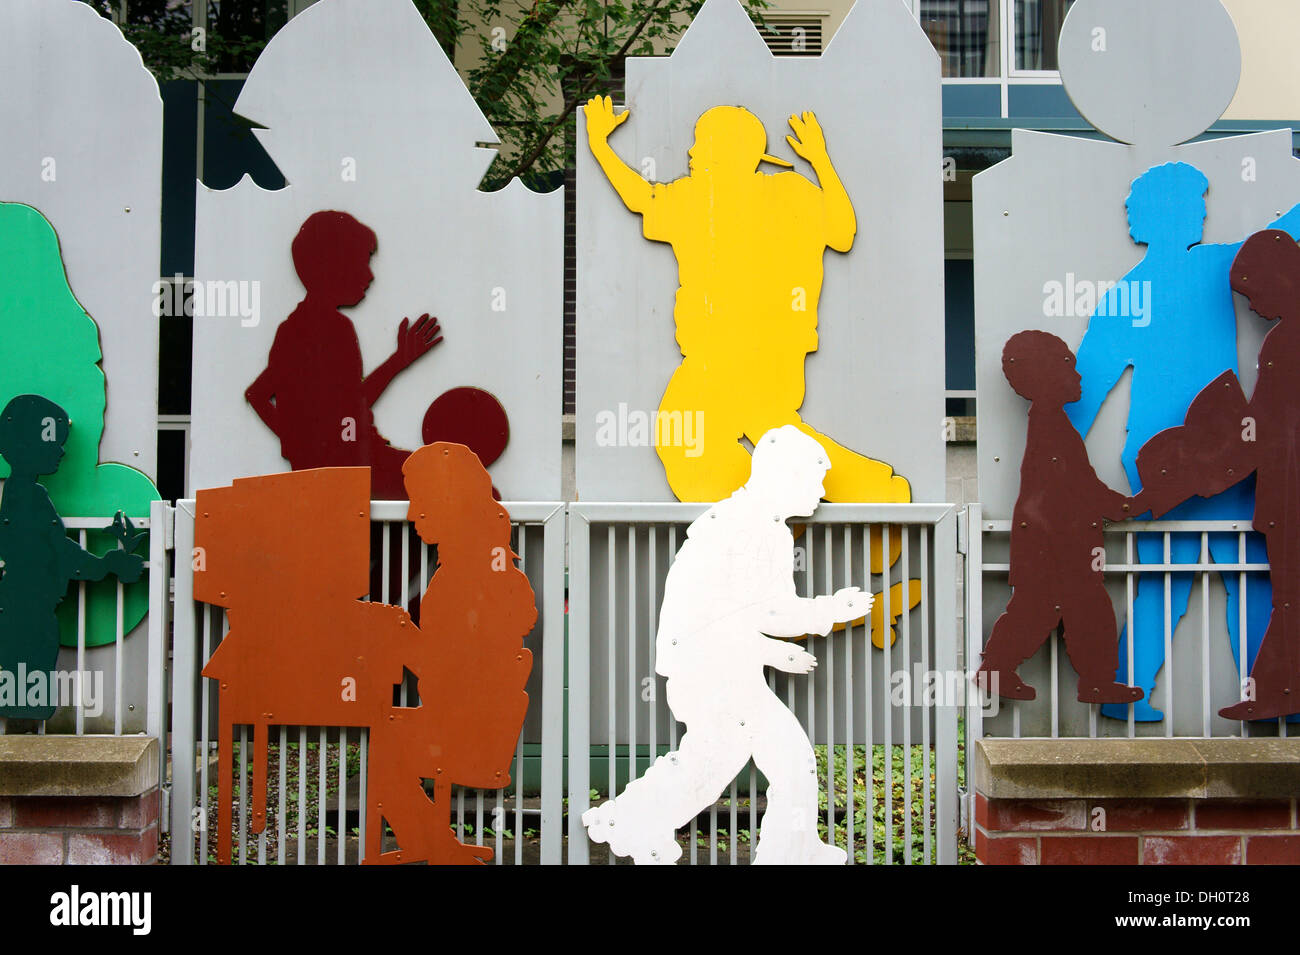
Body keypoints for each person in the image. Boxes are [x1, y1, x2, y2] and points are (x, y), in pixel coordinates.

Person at [583, 96, 910, 507]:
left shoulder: (703, 198)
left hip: (730, 357)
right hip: (762, 355)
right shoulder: (782, 192)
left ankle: (794, 512)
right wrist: (821, 162)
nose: (691, 150)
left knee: (687, 434)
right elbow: (842, 231)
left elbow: (641, 198)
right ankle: (869, 495)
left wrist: (601, 146)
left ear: (723, 151)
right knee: (766, 438)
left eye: (701, 142)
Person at [1066, 163, 1300, 720]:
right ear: (1177, 212)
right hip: (1222, 458)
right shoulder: (1216, 268)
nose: (1202, 209)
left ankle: (1131, 694)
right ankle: (1274, 699)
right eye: (1194, 200)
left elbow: (1084, 385)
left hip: (1166, 458)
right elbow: (1284, 231)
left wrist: (1068, 466)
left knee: (1163, 582)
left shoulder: (1127, 295)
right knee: (1251, 582)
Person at [583, 425, 868, 864]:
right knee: (763, 759)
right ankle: (783, 851)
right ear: (786, 477)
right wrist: (832, 609)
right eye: (815, 479)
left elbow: (731, 610)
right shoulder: (752, 529)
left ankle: (632, 821)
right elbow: (765, 611)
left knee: (724, 761)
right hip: (710, 669)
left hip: (714, 663)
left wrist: (772, 650)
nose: (823, 491)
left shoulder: (747, 521)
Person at [976, 332, 1143, 705]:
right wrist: (1125, 506)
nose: (1079, 375)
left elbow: (1078, 487)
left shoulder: (1050, 423)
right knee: (1050, 610)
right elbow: (1081, 487)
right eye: (1069, 366)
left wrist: (1118, 505)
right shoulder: (1051, 426)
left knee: (1069, 610)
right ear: (1047, 375)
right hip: (1053, 545)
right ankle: (1005, 671)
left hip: (1052, 542)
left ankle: (1085, 679)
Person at [245, 211, 442, 500]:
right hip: (352, 469)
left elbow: (259, 394)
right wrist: (305, 447)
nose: (370, 275)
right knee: (453, 485)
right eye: (363, 262)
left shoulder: (301, 327)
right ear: (333, 267)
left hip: (350, 463)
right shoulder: (324, 329)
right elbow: (352, 405)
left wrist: (298, 445)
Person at [0, 395, 143, 721]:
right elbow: (60, 553)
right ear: (24, 444)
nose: (61, 450)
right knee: (27, 688)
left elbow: (58, 551)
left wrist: (104, 563)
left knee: (25, 685)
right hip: (29, 611)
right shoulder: (28, 496)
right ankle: (26, 748)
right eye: (52, 441)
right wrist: (107, 564)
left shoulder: (21, 493)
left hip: (25, 608)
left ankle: (24, 738)